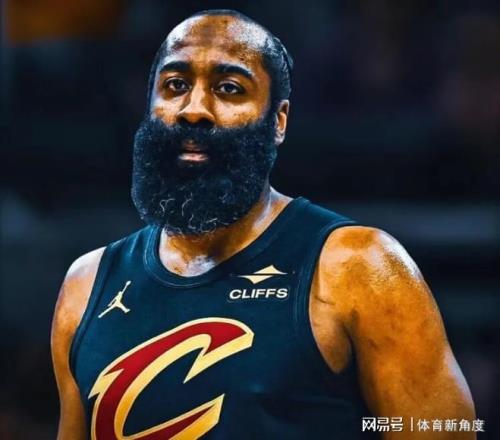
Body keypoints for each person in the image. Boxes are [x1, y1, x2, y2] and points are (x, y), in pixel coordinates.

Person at [51, 9, 476, 440]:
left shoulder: (359, 267)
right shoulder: (86, 286)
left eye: (229, 88)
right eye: (175, 85)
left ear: (278, 121)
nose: (194, 109)